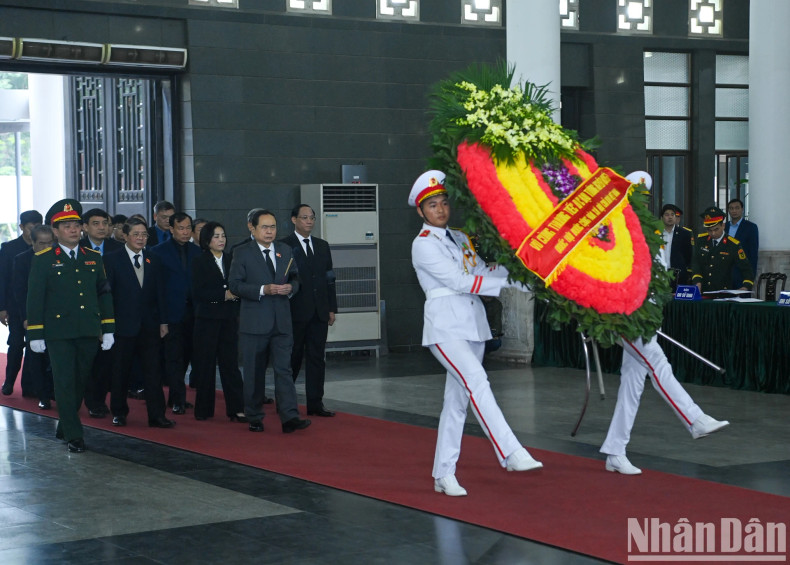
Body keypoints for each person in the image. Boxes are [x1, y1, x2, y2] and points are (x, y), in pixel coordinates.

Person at [409, 170, 542, 497]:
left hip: (472, 325)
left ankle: (444, 474)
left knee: (456, 402)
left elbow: (483, 270)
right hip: (445, 326)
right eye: (432, 206)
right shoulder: (422, 245)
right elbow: (458, 281)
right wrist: (502, 285)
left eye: (443, 203)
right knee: (477, 381)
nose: (440, 210)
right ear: (420, 211)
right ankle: (510, 451)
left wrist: (519, 270)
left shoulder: (460, 237)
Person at [26, 199, 115, 453]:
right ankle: (75, 435)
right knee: (64, 381)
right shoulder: (43, 259)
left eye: (76, 225)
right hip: (58, 332)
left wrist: (108, 327)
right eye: (66, 226)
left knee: (79, 381)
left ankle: (65, 424)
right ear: (55, 232)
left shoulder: (93, 258)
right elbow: (35, 298)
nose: (73, 230)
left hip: (88, 329)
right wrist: (36, 333)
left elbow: (104, 293)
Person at [228, 209, 309, 434]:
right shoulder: (241, 252)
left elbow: (295, 276)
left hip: (282, 322)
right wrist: (263, 289)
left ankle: (290, 416)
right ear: (252, 228)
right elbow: (234, 285)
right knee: (254, 372)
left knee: (284, 370)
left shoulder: (285, 249)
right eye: (264, 227)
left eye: (273, 227)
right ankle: (254, 415)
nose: (269, 231)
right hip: (254, 323)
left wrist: (291, 287)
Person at [104, 217, 175, 429]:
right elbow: (107, 294)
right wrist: (107, 325)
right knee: (120, 371)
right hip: (122, 325)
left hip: (150, 325)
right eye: (136, 234)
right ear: (125, 235)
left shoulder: (154, 258)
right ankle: (119, 412)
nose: (140, 238)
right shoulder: (111, 259)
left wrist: (164, 321)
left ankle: (157, 415)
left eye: (144, 234)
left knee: (153, 372)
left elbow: (160, 293)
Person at [281, 204, 338, 417]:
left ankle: (315, 403)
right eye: (304, 217)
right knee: (292, 357)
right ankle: (285, 402)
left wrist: (332, 308)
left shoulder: (322, 246)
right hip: (295, 312)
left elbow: (329, 278)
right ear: (294, 219)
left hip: (319, 312)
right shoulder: (284, 245)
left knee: (316, 358)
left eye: (312, 218)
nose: (309, 221)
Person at [190, 221, 245, 422]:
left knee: (230, 365)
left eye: (223, 235)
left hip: (229, 320)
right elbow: (198, 293)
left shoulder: (232, 259)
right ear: (206, 240)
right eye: (216, 236)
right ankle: (204, 409)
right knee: (205, 365)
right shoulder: (199, 261)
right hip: (207, 320)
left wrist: (234, 296)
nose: (221, 240)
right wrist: (222, 296)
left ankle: (237, 408)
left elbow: (240, 286)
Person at [150, 212, 201, 415]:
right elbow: (157, 288)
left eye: (188, 228)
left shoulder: (197, 252)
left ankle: (177, 395)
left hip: (194, 312)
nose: (185, 232)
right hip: (171, 313)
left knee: (188, 355)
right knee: (173, 358)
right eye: (181, 228)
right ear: (171, 229)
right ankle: (177, 398)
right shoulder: (157, 252)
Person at [80, 208, 124, 418]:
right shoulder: (77, 249)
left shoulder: (119, 248)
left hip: (115, 312)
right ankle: (93, 401)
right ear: (85, 227)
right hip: (87, 314)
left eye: (104, 223)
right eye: (95, 223)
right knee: (90, 361)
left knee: (110, 362)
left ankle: (104, 399)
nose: (101, 227)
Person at [12, 224, 55, 409]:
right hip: (34, 316)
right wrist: (26, 317)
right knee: (36, 356)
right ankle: (42, 395)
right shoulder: (22, 260)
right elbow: (20, 292)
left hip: (56, 315)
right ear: (33, 242)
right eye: (42, 243)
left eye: (50, 243)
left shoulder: (60, 258)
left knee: (55, 356)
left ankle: (55, 391)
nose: (46, 247)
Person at [0, 209, 42, 396]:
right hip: (16, 307)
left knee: (37, 346)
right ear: (22, 227)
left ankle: (31, 386)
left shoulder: (46, 247)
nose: (33, 232)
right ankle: (9, 381)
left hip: (40, 307)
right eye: (30, 228)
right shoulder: (9, 248)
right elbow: (2, 279)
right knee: (16, 344)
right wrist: (2, 307)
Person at [691, 206, 754, 293]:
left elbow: (747, 269)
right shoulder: (701, 241)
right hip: (703, 291)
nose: (713, 233)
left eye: (716, 229)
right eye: (709, 230)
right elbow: (696, 263)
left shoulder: (733, 244)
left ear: (723, 226)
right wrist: (697, 281)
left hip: (723, 292)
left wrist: (746, 287)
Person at [725, 198, 759, 288]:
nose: (734, 211)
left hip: (741, 274)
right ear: (728, 210)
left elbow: (753, 254)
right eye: (731, 208)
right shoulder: (724, 227)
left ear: (742, 209)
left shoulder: (751, 227)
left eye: (737, 208)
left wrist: (750, 279)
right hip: (725, 275)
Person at [658, 204, 693, 289]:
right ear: (661, 218)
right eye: (667, 215)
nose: (670, 217)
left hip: (678, 276)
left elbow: (689, 255)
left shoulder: (685, 234)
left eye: (672, 215)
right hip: (659, 275)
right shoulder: (656, 233)